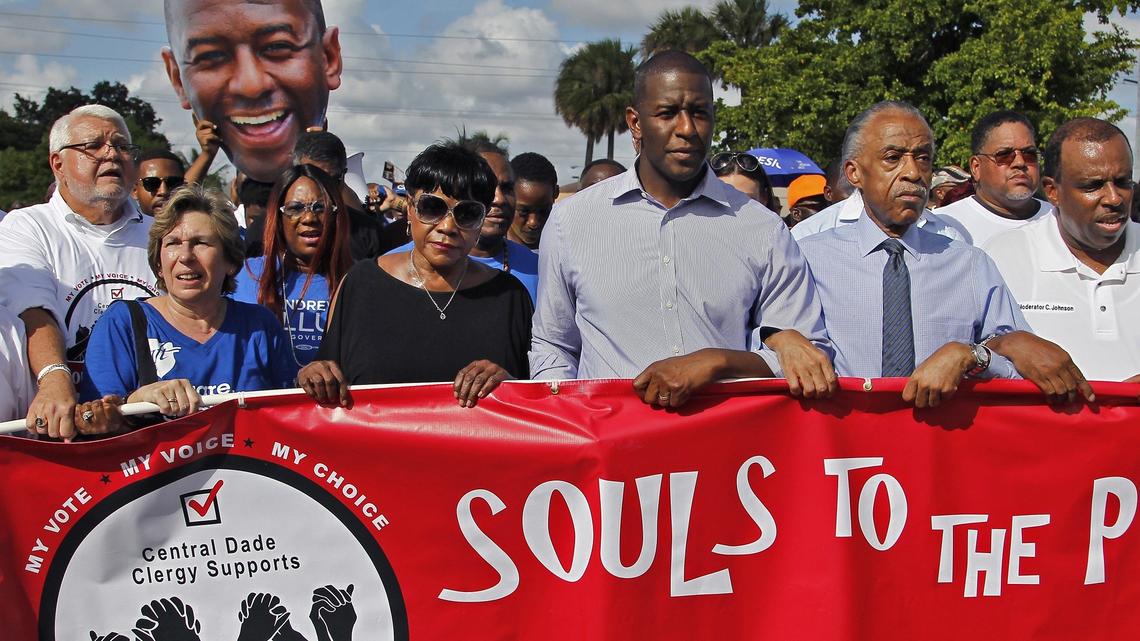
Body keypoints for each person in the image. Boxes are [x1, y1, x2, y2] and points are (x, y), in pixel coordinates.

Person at [531, 51, 836, 407]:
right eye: (667, 113)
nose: (687, 129)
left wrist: (717, 362)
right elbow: (554, 346)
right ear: (635, 122)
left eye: (699, 113)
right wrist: (569, 423)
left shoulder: (762, 229)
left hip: (727, 453)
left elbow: (808, 356)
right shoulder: (572, 221)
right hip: (611, 453)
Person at [798, 102, 1090, 407]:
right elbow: (777, 360)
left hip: (945, 446)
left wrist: (970, 356)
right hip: (845, 448)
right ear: (854, 173)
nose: (913, 172)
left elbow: (1018, 368)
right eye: (893, 158)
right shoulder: (809, 260)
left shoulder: (969, 265)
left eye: (923, 158)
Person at [298, 142, 533, 408]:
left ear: (481, 220)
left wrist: (509, 385)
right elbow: (326, 377)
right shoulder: (361, 284)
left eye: (467, 214)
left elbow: (531, 404)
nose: (447, 227)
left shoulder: (510, 298)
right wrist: (313, 375)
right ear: (410, 208)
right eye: (433, 207)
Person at [0, 105, 159, 440]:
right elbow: (33, 309)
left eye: (121, 146)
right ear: (58, 164)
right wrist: (55, 379)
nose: (111, 154)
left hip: (154, 430)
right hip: (64, 436)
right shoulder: (28, 226)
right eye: (94, 146)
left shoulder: (162, 234)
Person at [81, 184, 298, 417]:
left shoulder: (260, 326)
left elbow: (286, 418)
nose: (185, 256)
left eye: (201, 243)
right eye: (173, 243)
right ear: (158, 264)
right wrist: (139, 399)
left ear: (231, 261)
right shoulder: (122, 323)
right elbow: (96, 423)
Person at [986, 118, 1139, 381]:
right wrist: (1007, 344)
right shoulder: (1002, 258)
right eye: (1093, 185)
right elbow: (965, 353)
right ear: (1052, 191)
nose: (1114, 198)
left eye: (1123, 182)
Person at [161, 0, 343, 183]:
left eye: (278, 46)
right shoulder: (215, 210)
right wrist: (207, 155)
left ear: (329, 57)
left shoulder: (350, 209)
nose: (251, 87)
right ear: (177, 79)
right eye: (211, 56)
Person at [387, 142, 540, 302]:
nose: (498, 199)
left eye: (507, 188)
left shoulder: (537, 270)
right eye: (434, 207)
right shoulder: (384, 274)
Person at [233, 164, 352, 367]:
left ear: (335, 215)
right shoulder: (244, 275)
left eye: (320, 207)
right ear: (278, 219)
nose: (309, 218)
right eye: (295, 208)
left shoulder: (359, 281)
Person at [938, 111, 1053, 247]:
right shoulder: (943, 227)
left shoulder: (1062, 221)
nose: (1020, 163)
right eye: (1004, 155)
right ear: (976, 167)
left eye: (1029, 154)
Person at [508, 152, 558, 251]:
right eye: (523, 211)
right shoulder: (481, 252)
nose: (533, 222)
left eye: (544, 211)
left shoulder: (564, 252)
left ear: (556, 193)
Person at [710, 151, 778, 211]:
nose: (736, 209)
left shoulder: (776, 224)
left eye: (746, 200)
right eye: (724, 199)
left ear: (764, 199)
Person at [133, 149, 186, 216]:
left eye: (173, 183)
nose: (163, 191)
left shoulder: (198, 224)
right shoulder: (122, 225)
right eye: (152, 183)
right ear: (134, 190)